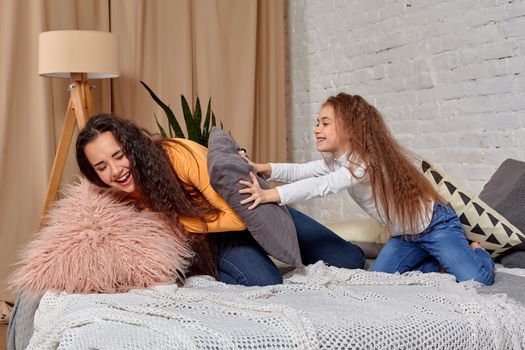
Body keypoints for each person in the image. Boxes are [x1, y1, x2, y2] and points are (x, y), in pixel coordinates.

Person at [75, 113, 365, 287]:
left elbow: (238, 217)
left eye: (118, 156)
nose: (115, 171)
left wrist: (180, 222)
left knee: (351, 260)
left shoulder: (179, 156)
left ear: (133, 147)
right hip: (217, 240)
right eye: (101, 167)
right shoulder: (117, 196)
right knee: (264, 282)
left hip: (249, 212)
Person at [239, 93, 495, 285]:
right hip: (404, 236)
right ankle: (433, 261)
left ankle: (477, 252)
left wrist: (269, 195)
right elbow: (304, 170)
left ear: (350, 129)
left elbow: (322, 186)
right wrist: (263, 167)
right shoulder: (338, 161)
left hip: (435, 226)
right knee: (378, 281)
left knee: (476, 279)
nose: (317, 128)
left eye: (325, 123)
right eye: (317, 122)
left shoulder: (365, 162)